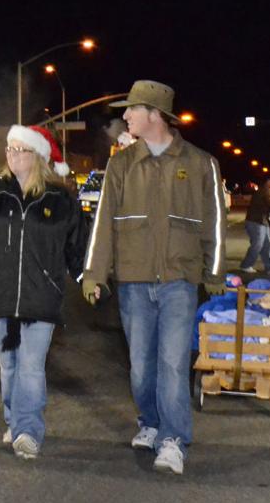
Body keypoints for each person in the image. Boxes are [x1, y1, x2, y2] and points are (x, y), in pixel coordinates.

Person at [82, 80, 226, 476]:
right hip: (133, 280)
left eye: (133, 109)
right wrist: (94, 273)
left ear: (155, 115)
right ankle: (150, 421)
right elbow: (103, 224)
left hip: (179, 280)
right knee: (141, 367)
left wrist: (214, 271)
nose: (126, 116)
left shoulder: (201, 164)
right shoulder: (122, 165)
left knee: (173, 364)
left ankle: (173, 439)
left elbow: (214, 221)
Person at [0, 125, 86, 460]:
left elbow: (78, 246)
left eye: (19, 149)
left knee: (31, 366)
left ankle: (28, 430)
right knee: (8, 365)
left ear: (37, 156)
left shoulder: (59, 200)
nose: (12, 155)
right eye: (9, 148)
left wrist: (91, 280)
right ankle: (15, 419)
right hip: (0, 293)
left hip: (41, 297)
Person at [239, 177, 270, 274]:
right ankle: (246, 265)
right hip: (256, 221)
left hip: (263, 221)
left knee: (267, 245)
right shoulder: (264, 191)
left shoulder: (267, 191)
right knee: (258, 244)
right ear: (268, 181)